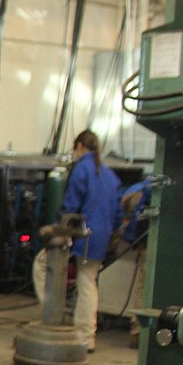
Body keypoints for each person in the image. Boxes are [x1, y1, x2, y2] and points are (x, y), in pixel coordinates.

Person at [31, 130, 122, 353]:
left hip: (82, 235)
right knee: (88, 279)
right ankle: (85, 334)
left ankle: (57, 317)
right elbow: (118, 212)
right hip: (101, 236)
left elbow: (71, 206)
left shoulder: (82, 169)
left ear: (79, 146)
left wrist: (57, 229)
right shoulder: (110, 175)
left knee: (43, 266)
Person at [117, 176, 155, 348]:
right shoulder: (149, 187)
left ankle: (138, 331)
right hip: (151, 243)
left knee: (144, 285)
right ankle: (140, 332)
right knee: (146, 285)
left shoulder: (143, 186)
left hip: (147, 243)